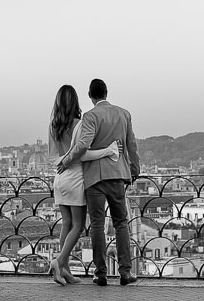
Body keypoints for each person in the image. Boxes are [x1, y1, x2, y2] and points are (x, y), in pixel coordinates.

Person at [56, 78, 140, 286]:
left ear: (90, 96)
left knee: (97, 225)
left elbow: (83, 144)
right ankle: (125, 272)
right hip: (118, 175)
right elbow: (132, 145)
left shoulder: (90, 116)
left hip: (94, 178)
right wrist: (135, 169)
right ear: (106, 92)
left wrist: (65, 160)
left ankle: (100, 272)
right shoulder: (124, 114)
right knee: (121, 223)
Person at [48, 84, 120, 286]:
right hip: (76, 177)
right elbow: (84, 153)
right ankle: (59, 262)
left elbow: (53, 157)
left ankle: (65, 272)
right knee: (78, 226)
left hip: (60, 177)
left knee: (66, 224)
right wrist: (108, 150)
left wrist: (62, 163)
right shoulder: (80, 123)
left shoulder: (53, 125)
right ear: (75, 102)